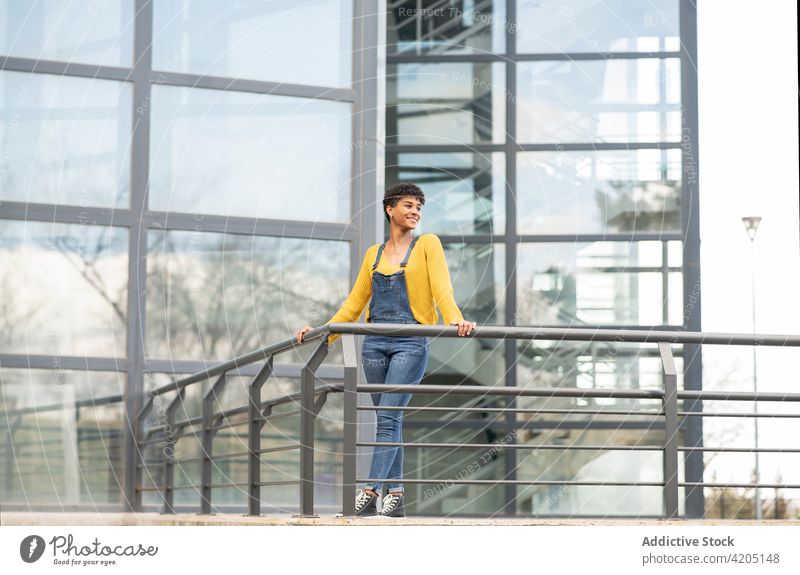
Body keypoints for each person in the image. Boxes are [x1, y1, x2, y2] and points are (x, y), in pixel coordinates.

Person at [295, 182, 476, 517]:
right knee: (388, 419)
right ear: (390, 208)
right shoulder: (373, 255)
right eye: (408, 205)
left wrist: (456, 320)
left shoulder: (427, 244)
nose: (415, 212)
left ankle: (369, 490)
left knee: (389, 416)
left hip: (410, 342)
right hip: (374, 343)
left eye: (419, 207)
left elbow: (442, 288)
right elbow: (353, 305)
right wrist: (321, 332)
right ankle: (395, 496)